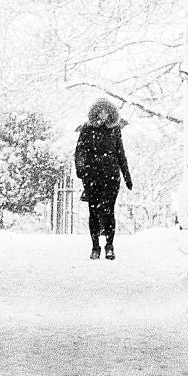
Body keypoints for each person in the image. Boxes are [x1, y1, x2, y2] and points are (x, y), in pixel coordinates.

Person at [74, 97, 132, 260]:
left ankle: (109, 246)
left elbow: (121, 153)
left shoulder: (115, 129)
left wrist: (127, 176)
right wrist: (81, 171)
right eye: (101, 111)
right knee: (93, 211)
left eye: (107, 111)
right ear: (96, 112)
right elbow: (79, 152)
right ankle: (95, 247)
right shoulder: (86, 129)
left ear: (111, 113)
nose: (104, 114)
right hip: (92, 176)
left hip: (111, 176)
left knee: (109, 211)